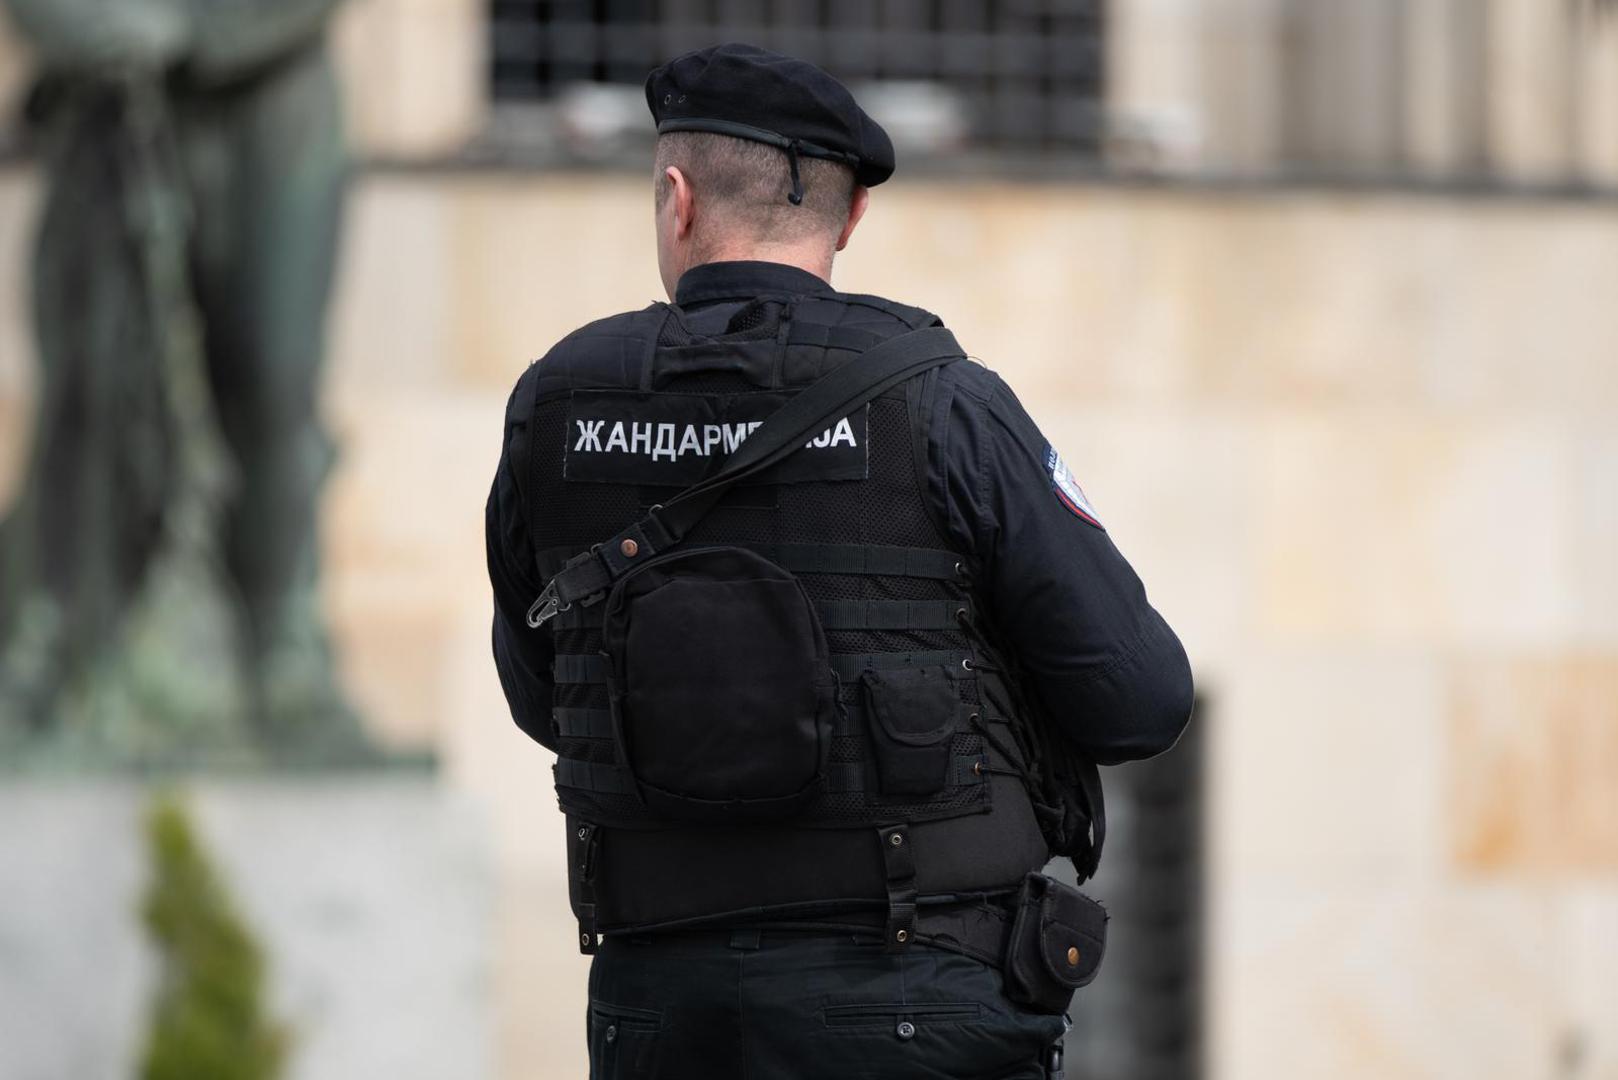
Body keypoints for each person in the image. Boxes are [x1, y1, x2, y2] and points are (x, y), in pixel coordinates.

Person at [485, 43, 1193, 1080]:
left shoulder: (555, 407)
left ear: (677, 199)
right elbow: (1140, 699)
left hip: (664, 1016)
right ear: (851, 215)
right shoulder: (942, 401)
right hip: (918, 1003)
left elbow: (543, 695)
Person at [0, 0, 359, 750]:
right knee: (90, 388)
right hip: (111, 96)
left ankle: (283, 646)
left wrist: (196, 33)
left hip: (273, 85)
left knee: (272, 375)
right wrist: (85, 23)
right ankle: (59, 639)